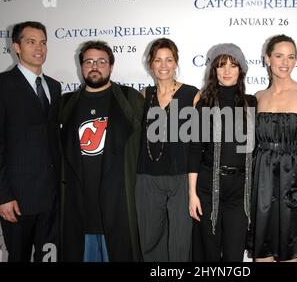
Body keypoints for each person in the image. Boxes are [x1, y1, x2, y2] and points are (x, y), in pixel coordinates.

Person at [0, 21, 61, 262]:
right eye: (31, 42)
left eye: (43, 42)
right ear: (16, 47)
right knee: (19, 257)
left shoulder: (54, 87)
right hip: (17, 199)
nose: (39, 48)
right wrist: (2, 196)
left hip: (52, 198)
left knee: (50, 257)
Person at [59, 40, 143, 262]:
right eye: (89, 61)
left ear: (111, 66)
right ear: (81, 66)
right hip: (78, 211)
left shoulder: (130, 99)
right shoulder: (65, 104)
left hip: (119, 209)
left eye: (101, 61)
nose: (95, 66)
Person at [248, 34, 297, 262]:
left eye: (291, 57)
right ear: (267, 59)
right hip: (261, 180)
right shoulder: (257, 98)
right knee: (261, 252)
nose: (285, 62)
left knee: (290, 252)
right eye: (279, 56)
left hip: (295, 178)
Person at [188, 43, 257, 262]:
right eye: (221, 65)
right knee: (209, 254)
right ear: (214, 70)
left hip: (239, 191)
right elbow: (194, 150)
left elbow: (267, 138)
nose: (227, 71)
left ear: (241, 70)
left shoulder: (251, 103)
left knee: (234, 256)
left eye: (233, 65)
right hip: (208, 188)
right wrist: (192, 194)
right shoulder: (203, 104)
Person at [135, 38, 199, 262]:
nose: (163, 65)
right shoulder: (143, 96)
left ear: (176, 62)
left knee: (181, 243)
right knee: (149, 241)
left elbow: (202, 141)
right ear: (150, 64)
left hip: (181, 178)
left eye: (169, 60)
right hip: (147, 178)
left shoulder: (192, 94)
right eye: (158, 60)